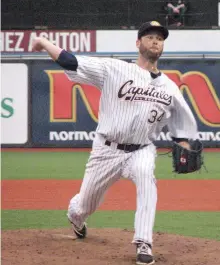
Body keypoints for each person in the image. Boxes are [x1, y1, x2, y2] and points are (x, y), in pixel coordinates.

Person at [32, 20, 198, 265]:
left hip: (142, 149)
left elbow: (181, 122)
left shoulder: (169, 87)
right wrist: (44, 42)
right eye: (150, 36)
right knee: (85, 204)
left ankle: (144, 242)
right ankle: (76, 217)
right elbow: (71, 62)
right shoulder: (113, 68)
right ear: (138, 42)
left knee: (146, 178)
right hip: (106, 150)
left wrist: (183, 142)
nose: (155, 41)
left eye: (160, 38)